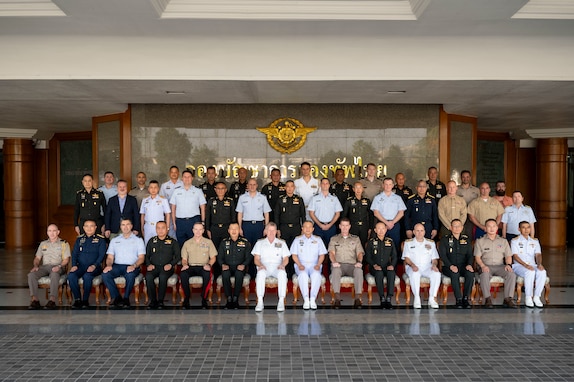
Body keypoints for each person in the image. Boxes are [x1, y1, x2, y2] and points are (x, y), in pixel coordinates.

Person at [102, 218, 146, 308]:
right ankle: (117, 297)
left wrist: (134, 265)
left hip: (132, 265)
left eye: (127, 224)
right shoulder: (114, 240)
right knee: (105, 274)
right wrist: (109, 265)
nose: (125, 227)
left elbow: (141, 258)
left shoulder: (138, 240)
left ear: (131, 226)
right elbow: (110, 257)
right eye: (123, 225)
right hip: (117, 266)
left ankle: (126, 299)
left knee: (130, 275)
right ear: (120, 227)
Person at [474, 219, 517, 308]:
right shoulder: (480, 241)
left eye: (494, 226)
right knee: (484, 274)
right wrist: (482, 266)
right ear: (485, 228)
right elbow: (477, 257)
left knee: (511, 274)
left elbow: (508, 256)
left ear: (497, 228)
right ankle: (487, 299)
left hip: (500, 266)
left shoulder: (503, 241)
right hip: (486, 266)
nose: (492, 228)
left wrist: (508, 265)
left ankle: (508, 298)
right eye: (489, 226)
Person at [27, 224, 71, 310]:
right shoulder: (43, 244)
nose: (52, 233)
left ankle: (52, 300)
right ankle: (35, 300)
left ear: (58, 232)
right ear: (47, 232)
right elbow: (37, 258)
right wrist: (36, 266)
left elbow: (66, 260)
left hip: (58, 266)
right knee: (31, 275)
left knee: (54, 274)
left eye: (54, 231)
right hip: (45, 267)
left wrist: (59, 266)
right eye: (49, 231)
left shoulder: (64, 243)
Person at [252, 223, 291, 312]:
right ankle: (260, 301)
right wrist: (260, 265)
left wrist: (283, 265)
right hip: (264, 266)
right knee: (260, 274)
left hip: (277, 266)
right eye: (269, 230)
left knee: (282, 274)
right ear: (265, 231)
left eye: (273, 230)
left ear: (276, 232)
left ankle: (281, 300)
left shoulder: (281, 243)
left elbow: (286, 258)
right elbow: (256, 259)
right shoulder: (260, 243)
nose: (271, 232)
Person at [68, 220, 106, 309]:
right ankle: (77, 299)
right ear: (83, 228)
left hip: (95, 267)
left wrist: (94, 265)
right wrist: (74, 265)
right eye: (87, 226)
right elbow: (74, 254)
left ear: (96, 228)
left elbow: (102, 255)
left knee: (87, 276)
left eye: (91, 226)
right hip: (80, 266)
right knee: (71, 276)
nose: (89, 228)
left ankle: (85, 300)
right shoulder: (79, 239)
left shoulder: (100, 239)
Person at [402, 223, 441, 309]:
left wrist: (434, 265)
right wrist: (412, 265)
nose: (419, 233)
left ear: (424, 232)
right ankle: (417, 298)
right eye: (417, 231)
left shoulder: (431, 243)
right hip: (413, 267)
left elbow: (434, 258)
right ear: (414, 232)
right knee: (415, 274)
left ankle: (432, 298)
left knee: (436, 274)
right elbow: (406, 258)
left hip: (427, 267)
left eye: (421, 231)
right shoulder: (408, 243)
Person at [328, 218, 365, 309]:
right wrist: (334, 262)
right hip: (339, 265)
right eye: (343, 225)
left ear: (349, 226)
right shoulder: (334, 239)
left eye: (346, 226)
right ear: (340, 226)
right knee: (335, 271)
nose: (345, 228)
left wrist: (359, 262)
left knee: (359, 271)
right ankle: (337, 299)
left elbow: (360, 253)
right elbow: (331, 253)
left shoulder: (356, 239)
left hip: (352, 265)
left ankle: (357, 299)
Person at [291, 221, 327, 310]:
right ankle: (306, 299)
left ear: (313, 229)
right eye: (305, 227)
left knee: (316, 275)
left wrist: (318, 264)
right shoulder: (297, 240)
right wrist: (299, 265)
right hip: (301, 264)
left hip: (314, 264)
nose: (307, 229)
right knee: (303, 275)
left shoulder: (318, 240)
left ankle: (313, 299)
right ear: (302, 228)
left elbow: (322, 255)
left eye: (310, 227)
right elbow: (294, 255)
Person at [145, 221, 181, 309]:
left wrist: (171, 264)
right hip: (154, 266)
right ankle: (153, 301)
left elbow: (178, 256)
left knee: (163, 276)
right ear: (156, 229)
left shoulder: (173, 242)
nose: (160, 230)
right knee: (148, 277)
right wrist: (149, 264)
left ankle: (160, 301)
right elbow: (146, 256)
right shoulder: (151, 241)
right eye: (158, 228)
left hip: (167, 267)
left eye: (163, 228)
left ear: (167, 229)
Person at [180, 222, 216, 309]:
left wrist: (209, 265)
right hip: (191, 266)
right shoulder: (187, 243)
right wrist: (184, 264)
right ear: (193, 230)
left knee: (207, 274)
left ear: (203, 231)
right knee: (183, 274)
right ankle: (186, 298)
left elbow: (213, 257)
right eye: (196, 229)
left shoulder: (208, 242)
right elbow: (184, 259)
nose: (198, 232)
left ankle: (204, 299)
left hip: (204, 266)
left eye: (200, 229)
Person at [438, 219, 474, 308]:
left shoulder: (466, 239)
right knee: (455, 274)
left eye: (459, 226)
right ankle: (458, 299)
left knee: (470, 273)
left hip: (463, 266)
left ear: (462, 228)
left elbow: (470, 255)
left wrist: (469, 264)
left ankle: (465, 298)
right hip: (448, 266)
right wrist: (450, 266)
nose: (457, 228)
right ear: (450, 227)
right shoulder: (444, 240)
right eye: (454, 226)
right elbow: (443, 256)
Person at [511, 221, 546, 308]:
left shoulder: (535, 241)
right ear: (519, 229)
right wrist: (525, 265)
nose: (526, 230)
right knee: (530, 272)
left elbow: (538, 254)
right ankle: (528, 297)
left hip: (533, 265)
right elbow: (515, 256)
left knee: (542, 272)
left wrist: (539, 264)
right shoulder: (515, 241)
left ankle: (537, 297)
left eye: (528, 227)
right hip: (519, 266)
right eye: (523, 227)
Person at [218, 223, 252, 309]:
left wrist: (244, 265)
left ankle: (236, 299)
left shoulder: (245, 242)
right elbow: (219, 257)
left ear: (239, 230)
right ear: (228, 230)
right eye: (231, 229)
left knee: (239, 274)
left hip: (240, 267)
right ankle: (229, 299)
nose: (233, 231)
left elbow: (249, 257)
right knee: (225, 274)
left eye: (236, 229)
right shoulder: (224, 242)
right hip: (227, 266)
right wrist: (222, 264)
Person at [365, 222, 397, 309]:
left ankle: (389, 297)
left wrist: (392, 265)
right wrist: (374, 265)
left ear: (386, 229)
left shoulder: (390, 241)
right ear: (375, 230)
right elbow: (368, 257)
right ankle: (382, 298)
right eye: (378, 228)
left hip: (387, 266)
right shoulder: (371, 242)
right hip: (375, 267)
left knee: (391, 272)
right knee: (379, 273)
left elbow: (394, 256)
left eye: (383, 228)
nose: (381, 231)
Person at [170, 169, 207, 245]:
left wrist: (202, 222)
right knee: (181, 244)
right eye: (185, 177)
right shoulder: (176, 191)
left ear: (192, 178)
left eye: (189, 177)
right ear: (182, 178)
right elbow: (173, 208)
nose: (187, 179)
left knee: (195, 244)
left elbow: (203, 208)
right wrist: (174, 223)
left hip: (194, 221)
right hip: (180, 221)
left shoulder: (198, 191)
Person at [371, 177, 407, 251]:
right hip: (381, 225)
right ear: (383, 185)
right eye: (386, 184)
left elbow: (401, 213)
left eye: (390, 184)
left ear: (393, 185)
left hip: (394, 224)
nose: (388, 186)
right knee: (381, 245)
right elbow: (376, 213)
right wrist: (386, 223)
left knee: (395, 244)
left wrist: (392, 223)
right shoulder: (377, 198)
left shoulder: (398, 198)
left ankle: (394, 262)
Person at [308, 177, 343, 248]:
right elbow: (311, 213)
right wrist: (320, 224)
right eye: (323, 183)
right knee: (317, 247)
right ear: (320, 185)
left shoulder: (334, 198)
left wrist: (330, 224)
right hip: (318, 227)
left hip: (331, 227)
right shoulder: (315, 198)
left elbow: (338, 213)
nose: (325, 185)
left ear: (329, 185)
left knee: (331, 248)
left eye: (326, 183)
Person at [205, 181, 236, 251]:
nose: (220, 190)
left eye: (222, 188)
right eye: (218, 188)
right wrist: (208, 229)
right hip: (214, 228)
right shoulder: (211, 201)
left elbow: (233, 216)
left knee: (226, 248)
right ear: (215, 189)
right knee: (215, 249)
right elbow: (208, 216)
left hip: (226, 228)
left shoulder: (230, 201)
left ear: (226, 190)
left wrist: (232, 229)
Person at [140, 180, 171, 245]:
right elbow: (142, 215)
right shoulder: (145, 200)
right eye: (151, 187)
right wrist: (142, 228)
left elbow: (167, 214)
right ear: (148, 189)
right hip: (148, 226)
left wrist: (167, 227)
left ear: (158, 189)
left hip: (159, 227)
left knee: (159, 245)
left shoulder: (163, 199)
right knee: (147, 245)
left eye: (155, 187)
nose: (153, 189)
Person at [342, 182, 372, 246]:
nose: (358, 190)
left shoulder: (367, 201)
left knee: (363, 244)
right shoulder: (349, 201)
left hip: (364, 227)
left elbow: (370, 215)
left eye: (360, 188)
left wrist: (370, 228)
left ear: (363, 189)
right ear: (353, 189)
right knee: (352, 244)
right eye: (356, 188)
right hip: (353, 226)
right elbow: (344, 216)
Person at [159, 166, 183, 237]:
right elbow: (161, 200)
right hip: (168, 213)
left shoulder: (183, 184)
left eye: (175, 172)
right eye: (172, 172)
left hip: (180, 213)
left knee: (180, 231)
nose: (174, 174)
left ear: (178, 173)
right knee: (170, 232)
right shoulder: (164, 186)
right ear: (169, 173)